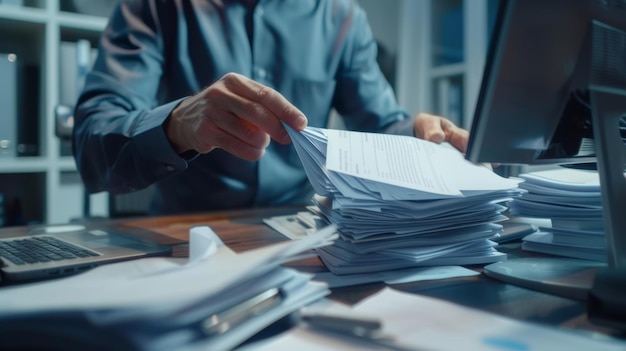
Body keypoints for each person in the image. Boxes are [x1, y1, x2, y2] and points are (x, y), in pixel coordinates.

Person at [73, 0, 469, 216]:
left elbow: (378, 128)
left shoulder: (342, 17)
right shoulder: (156, 8)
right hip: (183, 236)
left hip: (303, 236)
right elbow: (92, 145)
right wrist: (177, 124)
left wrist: (415, 138)